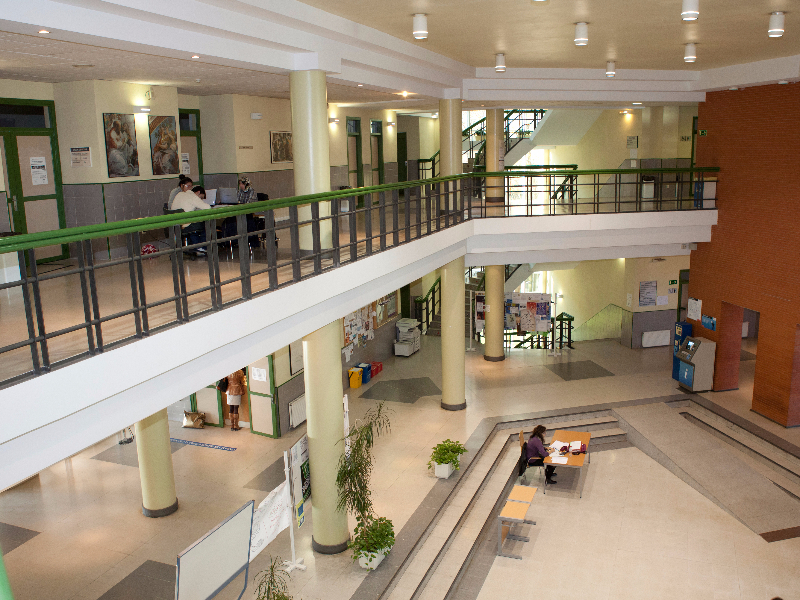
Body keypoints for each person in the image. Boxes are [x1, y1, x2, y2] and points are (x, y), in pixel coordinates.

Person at [172, 178, 209, 254]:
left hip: (176, 225)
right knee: (204, 225)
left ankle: (196, 246)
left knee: (194, 224)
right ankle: (202, 247)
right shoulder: (191, 195)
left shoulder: (178, 195)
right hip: (186, 225)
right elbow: (207, 207)